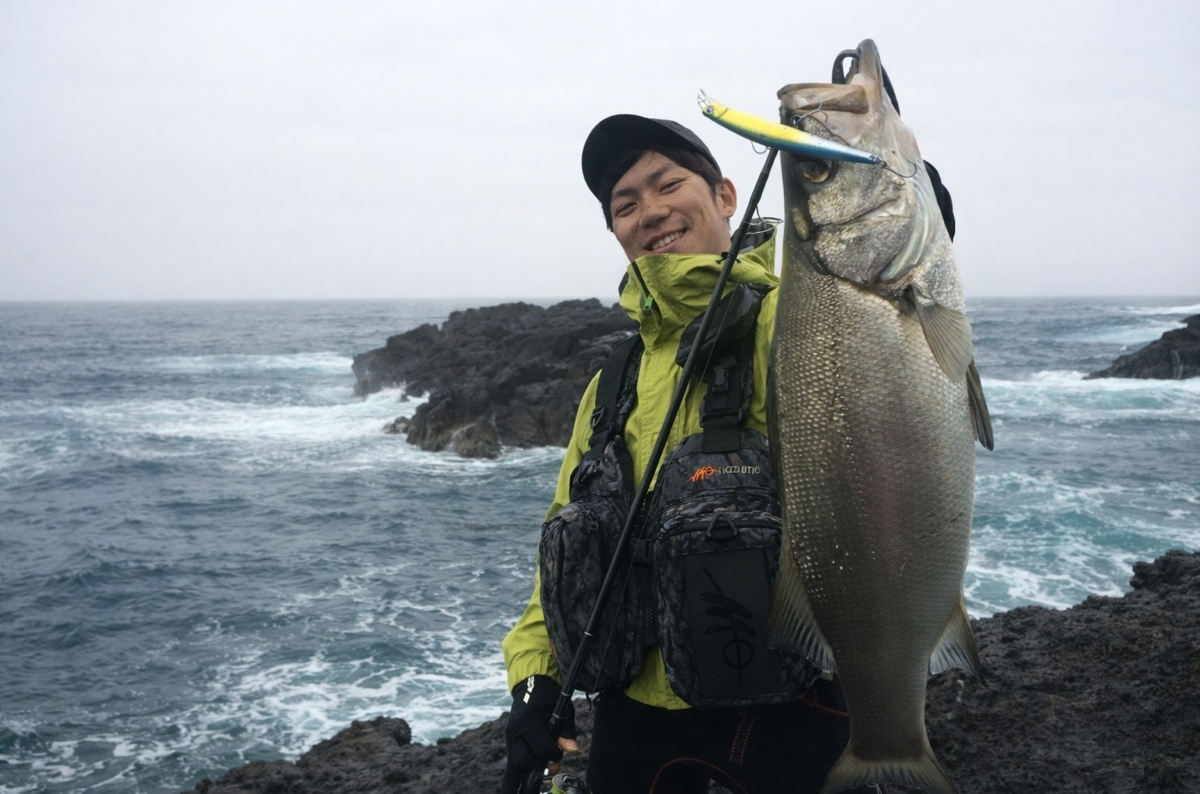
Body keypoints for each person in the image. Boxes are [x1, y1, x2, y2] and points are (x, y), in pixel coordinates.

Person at [500, 115, 879, 794]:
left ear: (727, 196)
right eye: (625, 204)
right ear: (617, 231)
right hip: (633, 728)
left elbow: (887, 356)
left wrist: (901, 227)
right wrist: (535, 680)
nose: (651, 211)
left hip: (790, 714)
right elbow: (563, 546)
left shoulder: (796, 323)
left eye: (666, 184)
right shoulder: (610, 383)